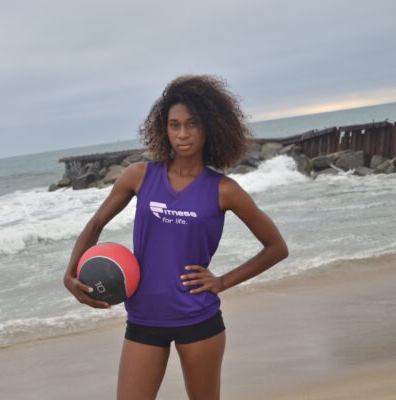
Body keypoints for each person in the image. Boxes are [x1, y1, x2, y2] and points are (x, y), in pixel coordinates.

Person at [63, 75, 289, 400]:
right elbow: (96, 223)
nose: (182, 134)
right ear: (163, 129)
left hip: (198, 318)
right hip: (144, 317)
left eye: (192, 124)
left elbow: (276, 247)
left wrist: (222, 281)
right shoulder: (139, 176)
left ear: (209, 127)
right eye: (174, 125)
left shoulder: (224, 190)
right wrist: (70, 274)